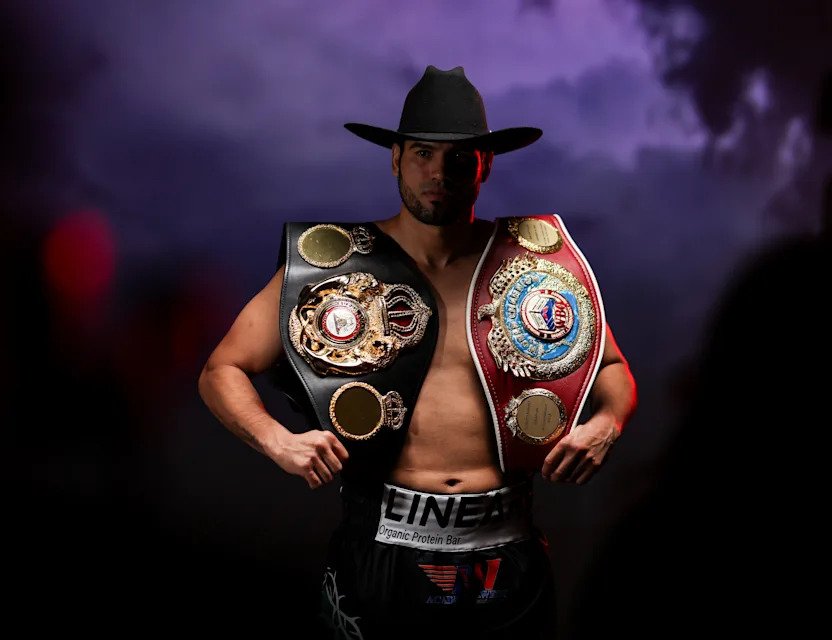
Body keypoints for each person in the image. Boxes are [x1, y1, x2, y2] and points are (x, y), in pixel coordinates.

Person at [198, 65, 637, 639]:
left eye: (458, 158)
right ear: (396, 157)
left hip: (507, 550)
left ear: (486, 164)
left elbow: (611, 369)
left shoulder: (533, 264)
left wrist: (605, 424)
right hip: (383, 550)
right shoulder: (332, 266)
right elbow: (220, 369)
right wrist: (277, 440)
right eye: (424, 154)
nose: (439, 173)